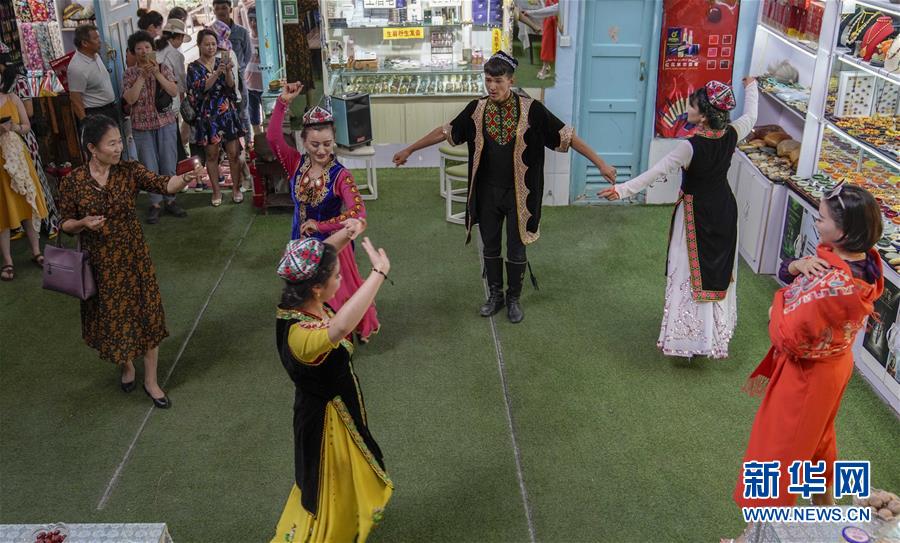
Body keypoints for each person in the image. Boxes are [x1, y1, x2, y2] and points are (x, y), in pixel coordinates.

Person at [394, 51, 617, 324]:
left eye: (498, 81)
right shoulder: (476, 109)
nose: (492, 86)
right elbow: (446, 131)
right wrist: (409, 149)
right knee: (489, 246)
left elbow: (567, 137)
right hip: (487, 193)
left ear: (511, 80)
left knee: (516, 248)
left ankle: (513, 299)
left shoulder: (532, 110)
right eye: (488, 80)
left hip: (520, 195)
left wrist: (601, 163)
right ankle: (495, 296)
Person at [723, 184, 885, 543]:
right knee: (816, 446)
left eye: (821, 218)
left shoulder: (835, 283)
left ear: (843, 231)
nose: (815, 221)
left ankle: (755, 536)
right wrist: (797, 265)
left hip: (806, 375)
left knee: (778, 455)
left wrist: (776, 308)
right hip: (832, 367)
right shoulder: (862, 261)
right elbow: (793, 274)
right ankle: (826, 521)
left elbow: (787, 334)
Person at [599, 78, 758, 358]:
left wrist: (621, 190)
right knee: (716, 272)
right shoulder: (732, 133)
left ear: (704, 115)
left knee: (688, 270)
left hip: (696, 214)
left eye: (693, 105)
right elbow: (752, 116)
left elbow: (656, 172)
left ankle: (689, 337)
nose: (688, 108)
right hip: (724, 210)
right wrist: (752, 87)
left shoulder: (690, 146)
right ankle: (712, 335)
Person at [56, 114, 198, 408]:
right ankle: (127, 366)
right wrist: (82, 223)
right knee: (114, 321)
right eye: (111, 143)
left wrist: (184, 179)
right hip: (100, 265)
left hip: (134, 258)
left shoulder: (129, 171)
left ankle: (151, 381)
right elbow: (65, 223)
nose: (119, 148)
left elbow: (163, 184)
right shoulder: (73, 182)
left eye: (120, 141)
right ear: (92, 148)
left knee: (149, 316)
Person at [270, 227, 393, 543]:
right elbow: (340, 327)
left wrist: (346, 233)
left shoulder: (298, 301)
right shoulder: (302, 336)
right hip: (327, 423)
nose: (340, 280)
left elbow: (319, 253)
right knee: (332, 481)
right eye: (336, 277)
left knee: (343, 478)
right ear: (316, 288)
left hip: (335, 406)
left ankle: (348, 520)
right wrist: (378, 273)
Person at [268, 82, 380, 342]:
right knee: (306, 293)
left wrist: (322, 226)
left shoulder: (341, 175)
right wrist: (282, 103)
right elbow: (273, 138)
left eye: (327, 144)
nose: (321, 151)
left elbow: (358, 212)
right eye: (315, 144)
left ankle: (337, 333)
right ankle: (313, 331)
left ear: (334, 141)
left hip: (332, 246)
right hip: (301, 241)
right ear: (304, 142)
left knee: (337, 293)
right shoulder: (295, 164)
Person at [122, 30, 185, 225]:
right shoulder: (129, 73)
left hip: (165, 123)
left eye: (147, 47)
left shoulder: (163, 67)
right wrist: (141, 76)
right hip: (141, 126)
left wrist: (156, 73)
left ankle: (170, 200)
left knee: (168, 162)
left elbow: (174, 91)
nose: (143, 51)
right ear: (133, 52)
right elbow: (130, 99)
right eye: (139, 49)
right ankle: (155, 204)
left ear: (153, 49)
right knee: (149, 166)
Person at [0, 46, 60, 237]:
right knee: (16, 184)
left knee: (36, 180)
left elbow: (29, 111)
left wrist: (12, 119)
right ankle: (24, 225)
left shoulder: (19, 81)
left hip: (23, 137)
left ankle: (51, 222)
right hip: (5, 142)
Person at [186, 29, 244, 206]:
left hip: (226, 113)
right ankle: (216, 192)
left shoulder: (221, 62)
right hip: (208, 116)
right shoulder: (193, 67)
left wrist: (228, 72)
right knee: (212, 155)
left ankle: (236, 189)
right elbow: (200, 88)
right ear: (199, 45)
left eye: (213, 44)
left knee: (233, 153)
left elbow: (231, 86)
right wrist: (217, 73)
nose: (211, 47)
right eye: (207, 44)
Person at [0, 73, 49, 281]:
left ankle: (36, 251)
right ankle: (7, 261)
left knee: (28, 203)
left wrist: (14, 127)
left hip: (18, 159)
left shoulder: (13, 98)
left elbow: (27, 126)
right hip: (1, 165)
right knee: (3, 209)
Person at [213, 0, 251, 135]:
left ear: (230, 10)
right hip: (216, 79)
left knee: (242, 112)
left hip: (238, 78)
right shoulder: (209, 33)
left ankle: (248, 143)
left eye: (224, 8)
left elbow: (248, 54)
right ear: (214, 11)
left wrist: (238, 69)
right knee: (220, 113)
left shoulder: (241, 32)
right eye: (217, 8)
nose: (220, 11)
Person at [156, 19, 191, 162]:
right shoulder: (176, 55)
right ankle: (177, 162)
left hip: (155, 101)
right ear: (178, 37)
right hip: (170, 98)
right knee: (173, 134)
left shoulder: (155, 48)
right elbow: (181, 82)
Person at [67, 25, 118, 123]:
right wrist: (86, 123)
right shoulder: (76, 67)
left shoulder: (95, 54)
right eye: (95, 38)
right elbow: (75, 99)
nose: (100, 41)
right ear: (84, 43)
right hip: (96, 114)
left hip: (110, 109)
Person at [524, 0, 559, 80]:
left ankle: (550, 68)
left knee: (559, 44)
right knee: (547, 43)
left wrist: (531, 13)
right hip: (549, 18)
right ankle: (545, 67)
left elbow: (553, 9)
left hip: (558, 18)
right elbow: (546, 8)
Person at [245, 7, 264, 134]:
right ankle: (258, 140)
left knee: (269, 117)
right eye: (250, 20)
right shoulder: (246, 38)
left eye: (256, 20)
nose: (253, 23)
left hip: (264, 86)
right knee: (254, 118)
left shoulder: (265, 38)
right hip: (250, 85)